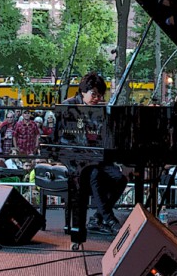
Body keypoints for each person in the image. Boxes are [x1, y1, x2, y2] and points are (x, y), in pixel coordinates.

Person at [63, 71, 128, 234]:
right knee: (93, 174)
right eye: (94, 95)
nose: (97, 99)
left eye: (100, 96)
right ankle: (110, 220)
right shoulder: (68, 106)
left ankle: (97, 217)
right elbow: (62, 138)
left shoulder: (99, 110)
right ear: (83, 92)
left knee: (120, 179)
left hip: (98, 158)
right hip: (76, 160)